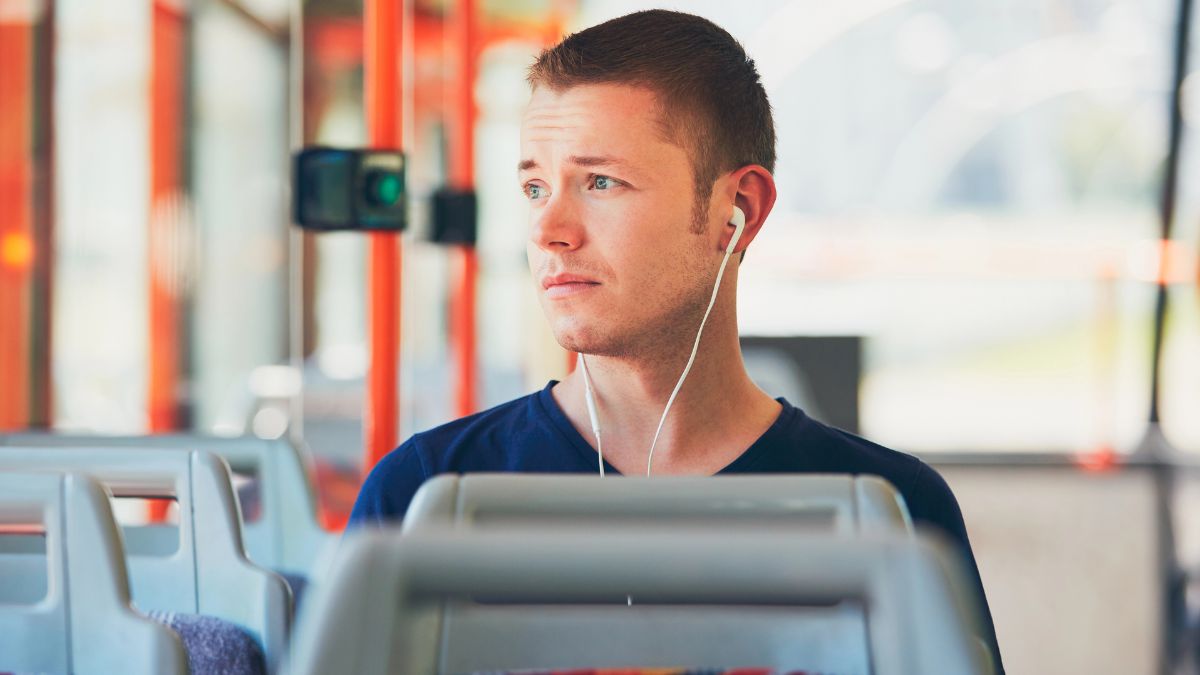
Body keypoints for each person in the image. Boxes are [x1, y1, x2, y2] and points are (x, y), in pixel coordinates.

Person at [349, 8, 1002, 671]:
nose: (548, 228)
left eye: (601, 181)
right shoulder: (423, 496)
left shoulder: (891, 514)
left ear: (737, 211)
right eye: (535, 186)